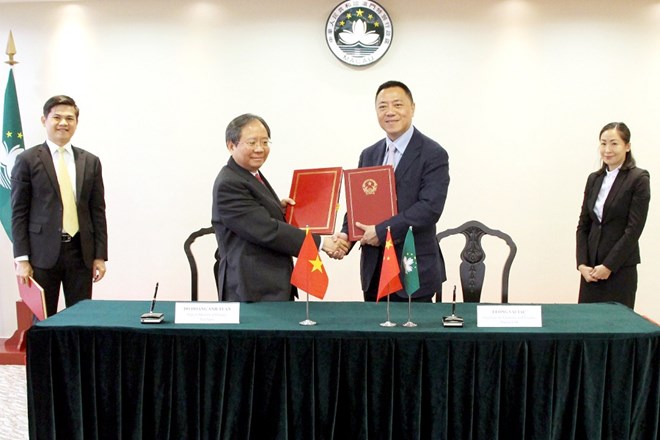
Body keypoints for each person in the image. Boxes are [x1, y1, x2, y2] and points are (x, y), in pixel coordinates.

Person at [212, 113, 348, 302]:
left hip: (268, 283)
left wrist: (278, 209)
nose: (259, 149)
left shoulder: (249, 175)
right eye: (252, 142)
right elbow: (266, 230)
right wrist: (320, 243)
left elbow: (256, 216)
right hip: (251, 288)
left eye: (265, 142)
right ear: (231, 145)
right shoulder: (230, 183)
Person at [334, 81, 450, 302]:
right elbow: (360, 204)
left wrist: (381, 231)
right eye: (382, 106)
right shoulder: (369, 154)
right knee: (374, 325)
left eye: (397, 105)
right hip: (375, 269)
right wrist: (346, 235)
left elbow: (429, 208)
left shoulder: (433, 153)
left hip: (413, 268)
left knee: (414, 326)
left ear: (412, 108)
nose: (390, 112)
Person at [11, 95, 108, 317]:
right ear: (44, 120)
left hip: (80, 253)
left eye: (69, 118)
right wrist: (22, 259)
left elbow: (97, 211)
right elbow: (18, 213)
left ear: (76, 122)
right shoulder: (27, 160)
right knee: (43, 321)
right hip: (41, 255)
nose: (63, 123)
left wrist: (99, 256)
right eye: (57, 117)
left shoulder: (90, 161)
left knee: (81, 319)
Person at [576, 122, 650, 308]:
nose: (607, 149)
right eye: (603, 143)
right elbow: (583, 225)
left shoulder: (638, 179)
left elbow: (634, 230)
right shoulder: (594, 179)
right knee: (587, 322)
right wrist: (582, 264)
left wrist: (608, 266)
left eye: (614, 143)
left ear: (627, 146)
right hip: (591, 271)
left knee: (616, 322)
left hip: (619, 269)